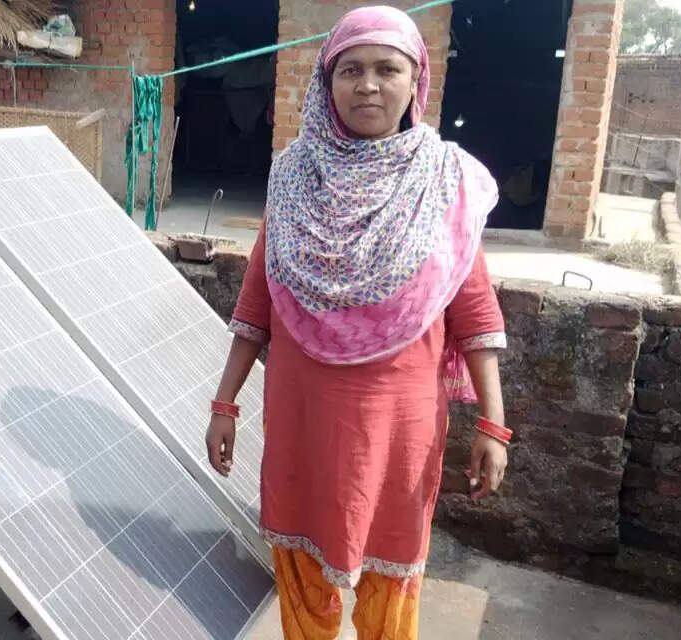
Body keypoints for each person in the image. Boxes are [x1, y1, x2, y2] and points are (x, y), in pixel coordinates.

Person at [204, 6, 511, 640]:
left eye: (385, 69)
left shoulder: (444, 181)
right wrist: (225, 403)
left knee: (391, 573)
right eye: (350, 70)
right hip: (301, 418)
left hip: (397, 428)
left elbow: (475, 311)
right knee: (300, 568)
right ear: (327, 83)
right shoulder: (293, 177)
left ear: (415, 81)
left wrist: (494, 424)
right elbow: (258, 301)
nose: (367, 85)